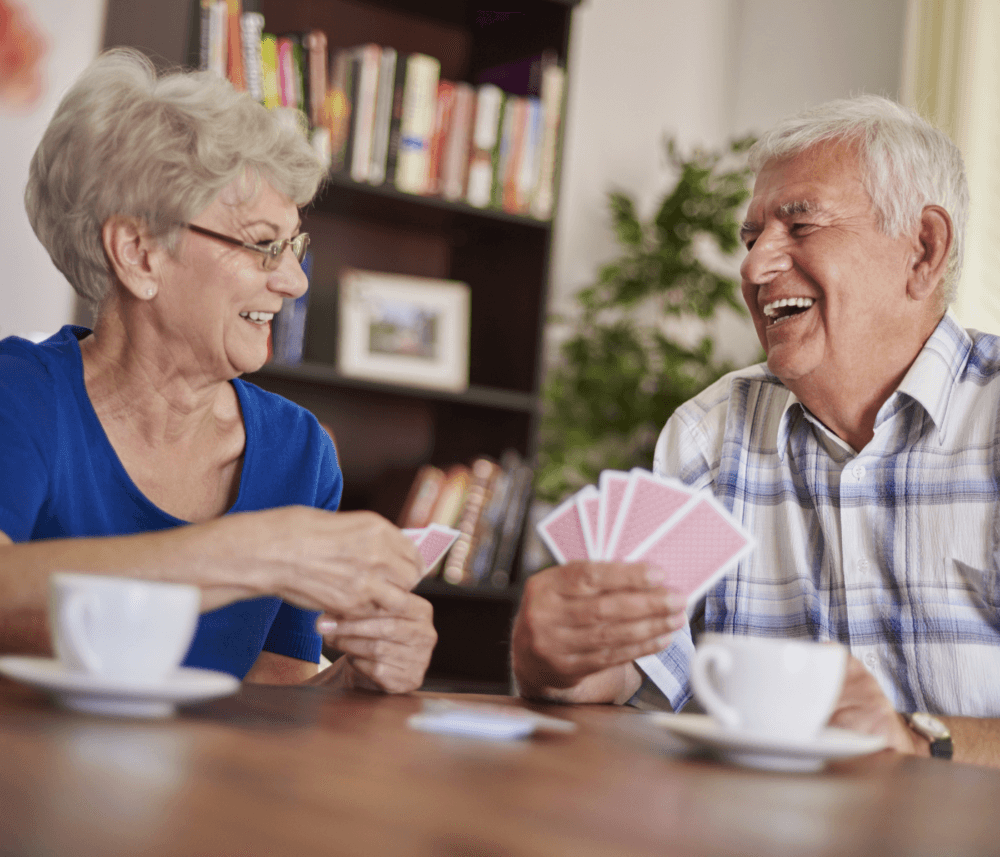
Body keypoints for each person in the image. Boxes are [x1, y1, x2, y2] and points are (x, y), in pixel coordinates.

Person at [512, 93, 1000, 765]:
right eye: (751, 239)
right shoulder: (710, 437)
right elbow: (632, 669)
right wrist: (564, 658)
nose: (752, 267)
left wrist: (921, 740)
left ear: (923, 249)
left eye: (800, 227)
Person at [0, 48, 436, 692]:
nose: (291, 281)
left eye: (294, 247)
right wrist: (254, 553)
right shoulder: (22, 394)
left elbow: (274, 694)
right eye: (263, 244)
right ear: (139, 252)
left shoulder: (299, 450)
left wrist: (359, 678)